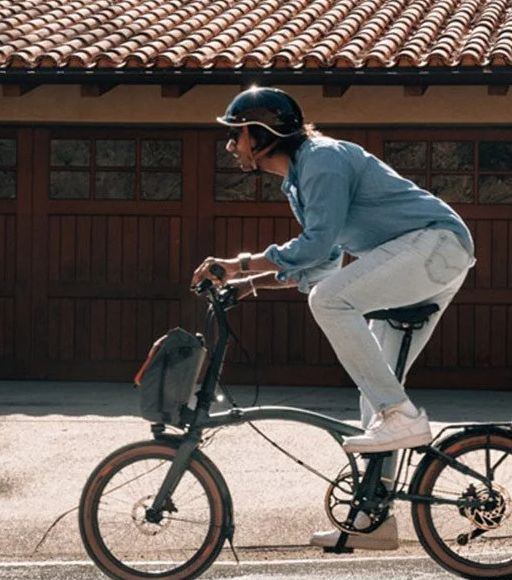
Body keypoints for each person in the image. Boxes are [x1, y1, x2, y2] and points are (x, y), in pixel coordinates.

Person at [193, 86, 476, 551]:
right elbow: (321, 264)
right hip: (422, 257)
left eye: (236, 134)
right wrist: (252, 284)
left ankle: (401, 415)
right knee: (376, 401)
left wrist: (240, 263)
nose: (230, 146)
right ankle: (374, 520)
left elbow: (318, 250)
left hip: (435, 246)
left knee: (330, 305)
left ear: (263, 135)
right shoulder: (299, 182)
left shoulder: (322, 159)